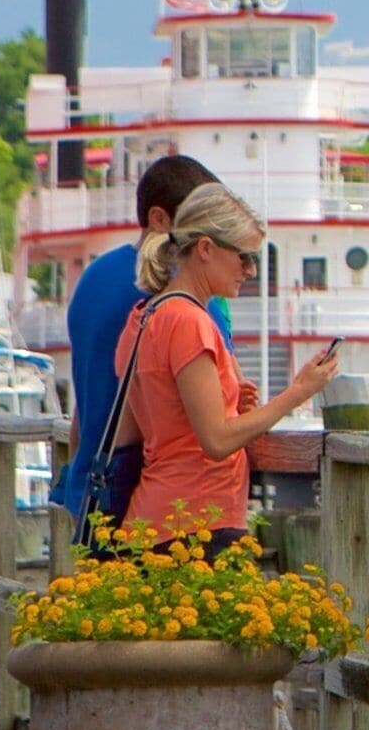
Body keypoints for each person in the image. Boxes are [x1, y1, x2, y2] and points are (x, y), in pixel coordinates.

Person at [117, 182, 337, 553]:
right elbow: (216, 441)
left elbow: (146, 427)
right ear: (205, 248)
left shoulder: (143, 318)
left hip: (150, 524)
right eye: (245, 257)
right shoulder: (191, 322)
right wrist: (299, 391)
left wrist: (232, 406)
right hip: (198, 527)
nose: (250, 270)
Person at [49, 154, 221, 529]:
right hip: (157, 505)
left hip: (90, 490)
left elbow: (87, 396)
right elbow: (213, 412)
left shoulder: (93, 277)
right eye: (200, 222)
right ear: (159, 219)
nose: (211, 238)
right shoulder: (187, 290)